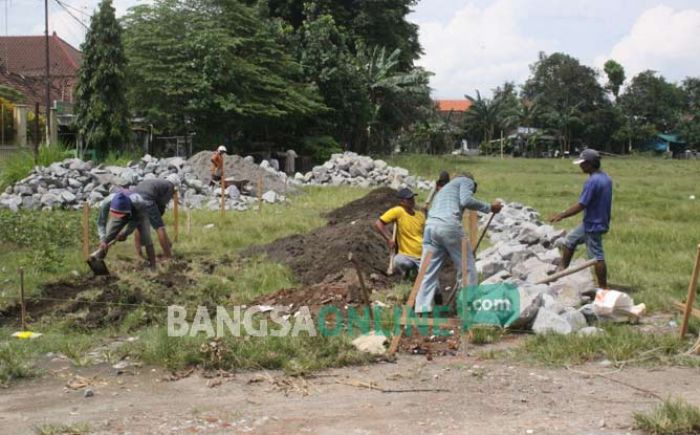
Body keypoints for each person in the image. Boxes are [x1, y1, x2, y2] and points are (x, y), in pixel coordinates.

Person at [414, 173, 503, 315]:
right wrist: (489, 207)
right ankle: (467, 307)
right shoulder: (466, 181)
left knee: (427, 270)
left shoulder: (444, 190)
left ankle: (422, 308)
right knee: (467, 267)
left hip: (431, 227)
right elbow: (466, 200)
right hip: (448, 225)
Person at [550, 148, 613, 288]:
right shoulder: (605, 178)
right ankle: (561, 271)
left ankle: (603, 288)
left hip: (593, 224)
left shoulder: (592, 182)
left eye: (583, 163)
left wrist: (562, 215)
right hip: (597, 220)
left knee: (597, 256)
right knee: (570, 240)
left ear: (590, 163)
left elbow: (581, 205)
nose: (580, 166)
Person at [93, 190, 156, 269]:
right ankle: (98, 268)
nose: (121, 217)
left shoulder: (139, 202)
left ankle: (153, 267)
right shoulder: (107, 202)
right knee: (107, 238)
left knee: (147, 238)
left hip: (140, 214)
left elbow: (137, 220)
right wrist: (103, 239)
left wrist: (126, 233)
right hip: (122, 211)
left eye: (121, 215)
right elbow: (101, 222)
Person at [374, 188, 426, 278]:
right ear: (402, 201)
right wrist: (389, 239)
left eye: (412, 198)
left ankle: (416, 272)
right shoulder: (398, 211)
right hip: (406, 256)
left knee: (433, 287)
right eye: (409, 199)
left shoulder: (420, 215)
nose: (412, 201)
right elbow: (378, 223)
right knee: (398, 261)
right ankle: (405, 275)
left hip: (422, 255)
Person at [132, 175, 180, 260]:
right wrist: (167, 241)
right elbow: (161, 205)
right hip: (147, 198)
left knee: (139, 226)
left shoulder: (159, 182)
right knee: (160, 227)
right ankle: (168, 256)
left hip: (133, 198)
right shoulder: (169, 186)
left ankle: (138, 255)